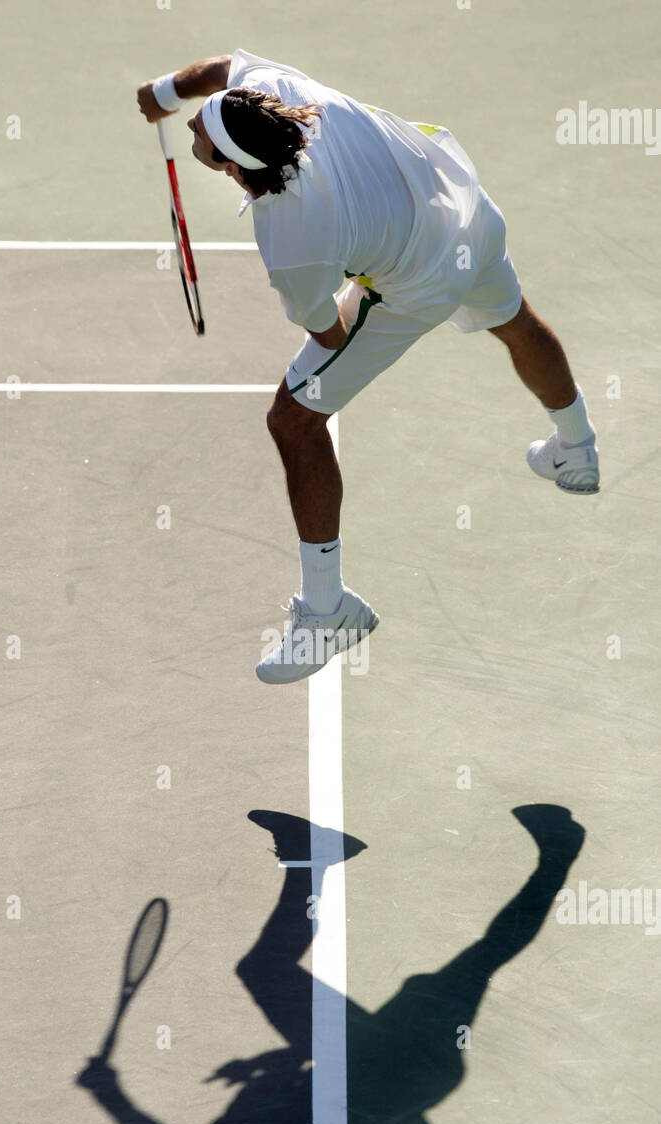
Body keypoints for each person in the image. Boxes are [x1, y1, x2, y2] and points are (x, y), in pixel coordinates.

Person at [137, 49, 599, 685]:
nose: (191, 124)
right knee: (514, 321)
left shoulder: (290, 235)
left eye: (201, 131)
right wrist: (166, 90)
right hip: (462, 206)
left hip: (422, 277)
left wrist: (361, 288)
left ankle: (328, 612)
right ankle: (576, 446)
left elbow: (328, 332)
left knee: (293, 421)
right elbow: (222, 70)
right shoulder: (273, 91)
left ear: (228, 165)